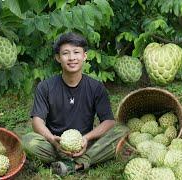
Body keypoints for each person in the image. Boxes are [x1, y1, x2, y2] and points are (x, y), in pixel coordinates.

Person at [22, 32, 129, 176]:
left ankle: (73, 164)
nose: (72, 58)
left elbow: (109, 121)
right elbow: (37, 122)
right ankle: (78, 163)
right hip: (54, 144)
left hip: (86, 144)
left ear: (84, 56)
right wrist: (54, 141)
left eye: (76, 52)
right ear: (58, 58)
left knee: (121, 131)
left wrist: (86, 138)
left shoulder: (96, 87)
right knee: (28, 140)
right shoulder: (45, 87)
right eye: (66, 53)